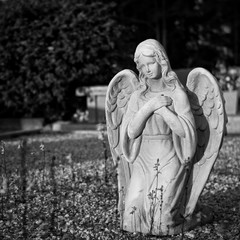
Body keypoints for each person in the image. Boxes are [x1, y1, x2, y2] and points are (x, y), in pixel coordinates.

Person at [121, 39, 197, 235]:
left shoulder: (177, 94)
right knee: (131, 221)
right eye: (142, 65)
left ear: (161, 61)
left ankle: (194, 217)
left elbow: (185, 131)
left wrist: (164, 111)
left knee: (162, 224)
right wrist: (151, 106)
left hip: (170, 158)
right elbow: (131, 132)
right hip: (143, 160)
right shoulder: (138, 96)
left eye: (151, 63)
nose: (146, 69)